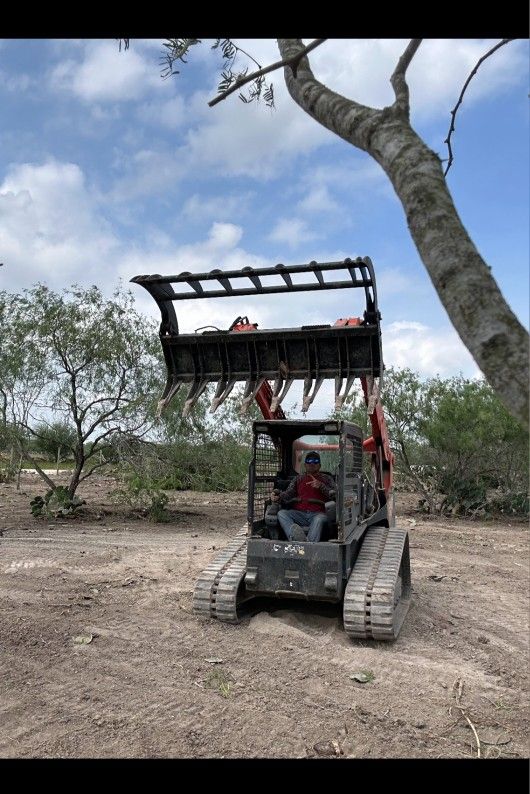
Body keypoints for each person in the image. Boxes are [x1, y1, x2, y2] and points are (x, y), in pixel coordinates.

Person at [270, 451, 335, 542]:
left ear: (319, 465)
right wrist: (278, 497)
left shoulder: (327, 478)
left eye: (315, 461)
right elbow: (288, 494)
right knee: (282, 514)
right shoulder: (298, 478)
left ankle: (308, 545)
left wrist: (321, 486)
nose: (312, 463)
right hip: (299, 513)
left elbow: (334, 495)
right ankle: (296, 538)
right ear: (305, 465)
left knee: (319, 519)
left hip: (318, 513)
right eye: (309, 461)